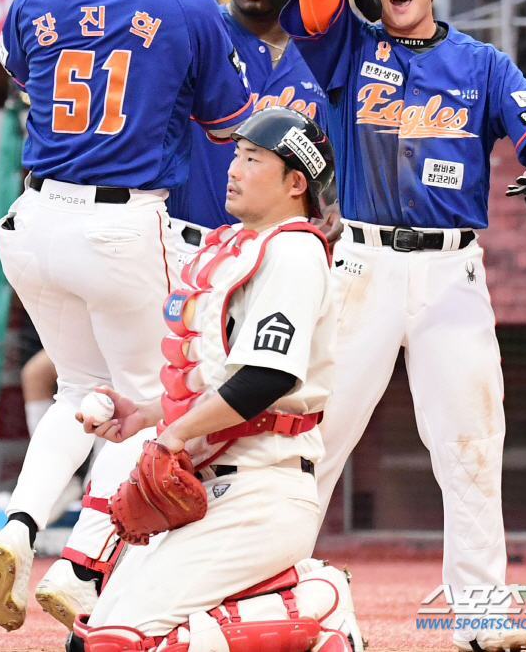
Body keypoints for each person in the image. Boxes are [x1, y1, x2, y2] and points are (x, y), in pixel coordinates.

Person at [279, 0, 526, 652]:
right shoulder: (349, 47)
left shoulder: (480, 62)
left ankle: (480, 619)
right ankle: (267, 599)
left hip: (452, 275)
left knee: (472, 446)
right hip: (363, 266)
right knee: (312, 440)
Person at [0, 0, 252, 633]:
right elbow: (229, 123)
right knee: (157, 402)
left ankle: (20, 526)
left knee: (80, 392)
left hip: (34, 222)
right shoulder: (190, 4)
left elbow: (22, 73)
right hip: (122, 226)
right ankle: (83, 561)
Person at [72, 108, 360, 652]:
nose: (234, 168)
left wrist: (173, 436)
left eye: (253, 159)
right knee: (88, 639)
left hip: (262, 487)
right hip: (211, 485)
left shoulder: (294, 249)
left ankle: (318, 606)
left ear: (296, 183)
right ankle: (281, 605)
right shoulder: (244, 247)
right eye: (235, 154)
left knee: (123, 643)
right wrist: (146, 414)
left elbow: (265, 378)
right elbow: (216, 378)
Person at [167, 0, 339, 263]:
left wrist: (341, 203)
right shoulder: (198, 32)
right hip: (190, 246)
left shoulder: (325, 51)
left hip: (286, 253)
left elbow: (341, 150)